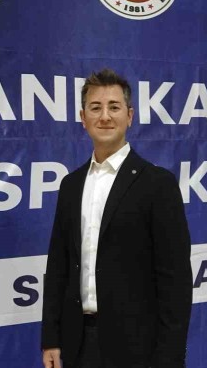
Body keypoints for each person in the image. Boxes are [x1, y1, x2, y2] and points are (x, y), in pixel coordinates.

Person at [41, 69, 192, 368]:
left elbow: (175, 282)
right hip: (77, 344)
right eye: (95, 108)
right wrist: (51, 338)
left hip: (139, 349)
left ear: (129, 116)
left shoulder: (157, 184)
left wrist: (169, 358)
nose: (105, 116)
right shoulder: (70, 185)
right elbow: (58, 266)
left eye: (114, 107)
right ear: (83, 118)